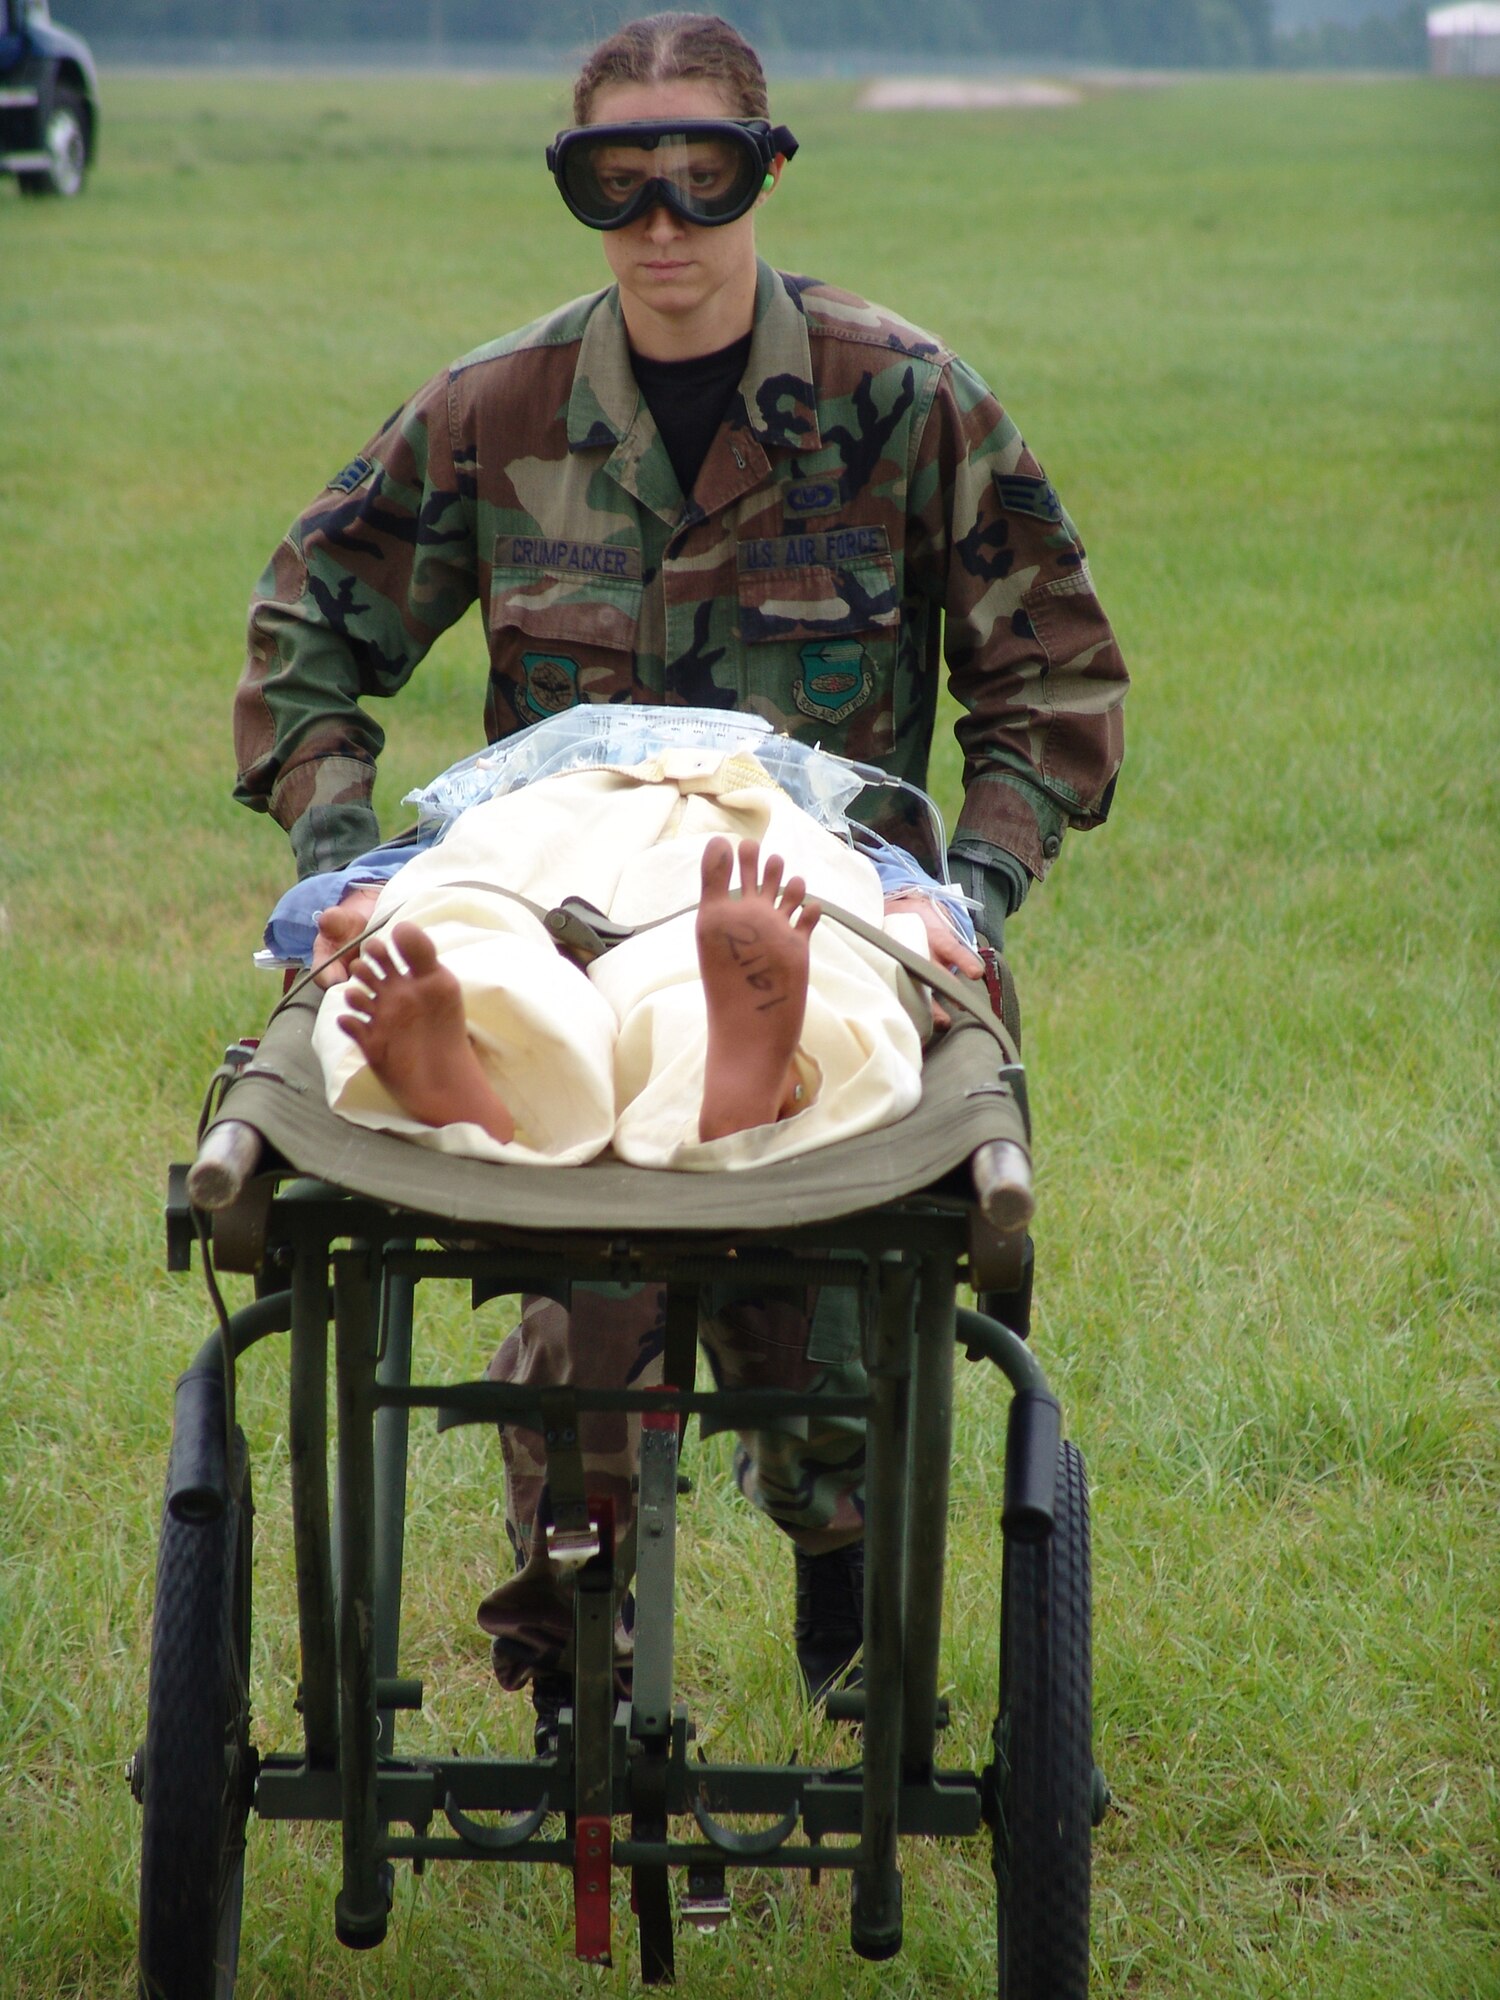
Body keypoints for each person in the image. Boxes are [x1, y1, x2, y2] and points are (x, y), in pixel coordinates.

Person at [232, 11, 1127, 1724]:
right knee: (556, 1150)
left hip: (812, 885)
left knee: (813, 1196)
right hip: (558, 879)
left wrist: (973, 896)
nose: (661, 223)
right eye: (614, 182)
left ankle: (829, 1555)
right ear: (575, 191)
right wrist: (345, 860)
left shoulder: (902, 402)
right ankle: (584, 1624)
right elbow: (304, 640)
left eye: (701, 178)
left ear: (765, 174)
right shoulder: (496, 413)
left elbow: (1055, 676)